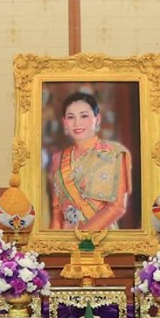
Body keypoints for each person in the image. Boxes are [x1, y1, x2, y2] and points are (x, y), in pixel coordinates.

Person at [47, 91, 133, 231]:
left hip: (102, 236)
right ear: (64, 123)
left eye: (84, 116)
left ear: (97, 119)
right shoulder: (58, 158)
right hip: (66, 237)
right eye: (71, 117)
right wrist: (54, 240)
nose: (77, 123)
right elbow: (57, 210)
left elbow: (117, 207)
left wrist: (84, 236)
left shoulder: (114, 153)